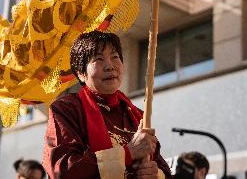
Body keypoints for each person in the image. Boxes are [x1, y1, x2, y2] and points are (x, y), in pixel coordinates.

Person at [42, 31, 172, 179]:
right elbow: (63, 170)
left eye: (115, 57)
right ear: (80, 74)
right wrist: (128, 153)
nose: (110, 66)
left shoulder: (138, 115)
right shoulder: (68, 108)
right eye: (98, 59)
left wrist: (156, 174)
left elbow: (165, 172)